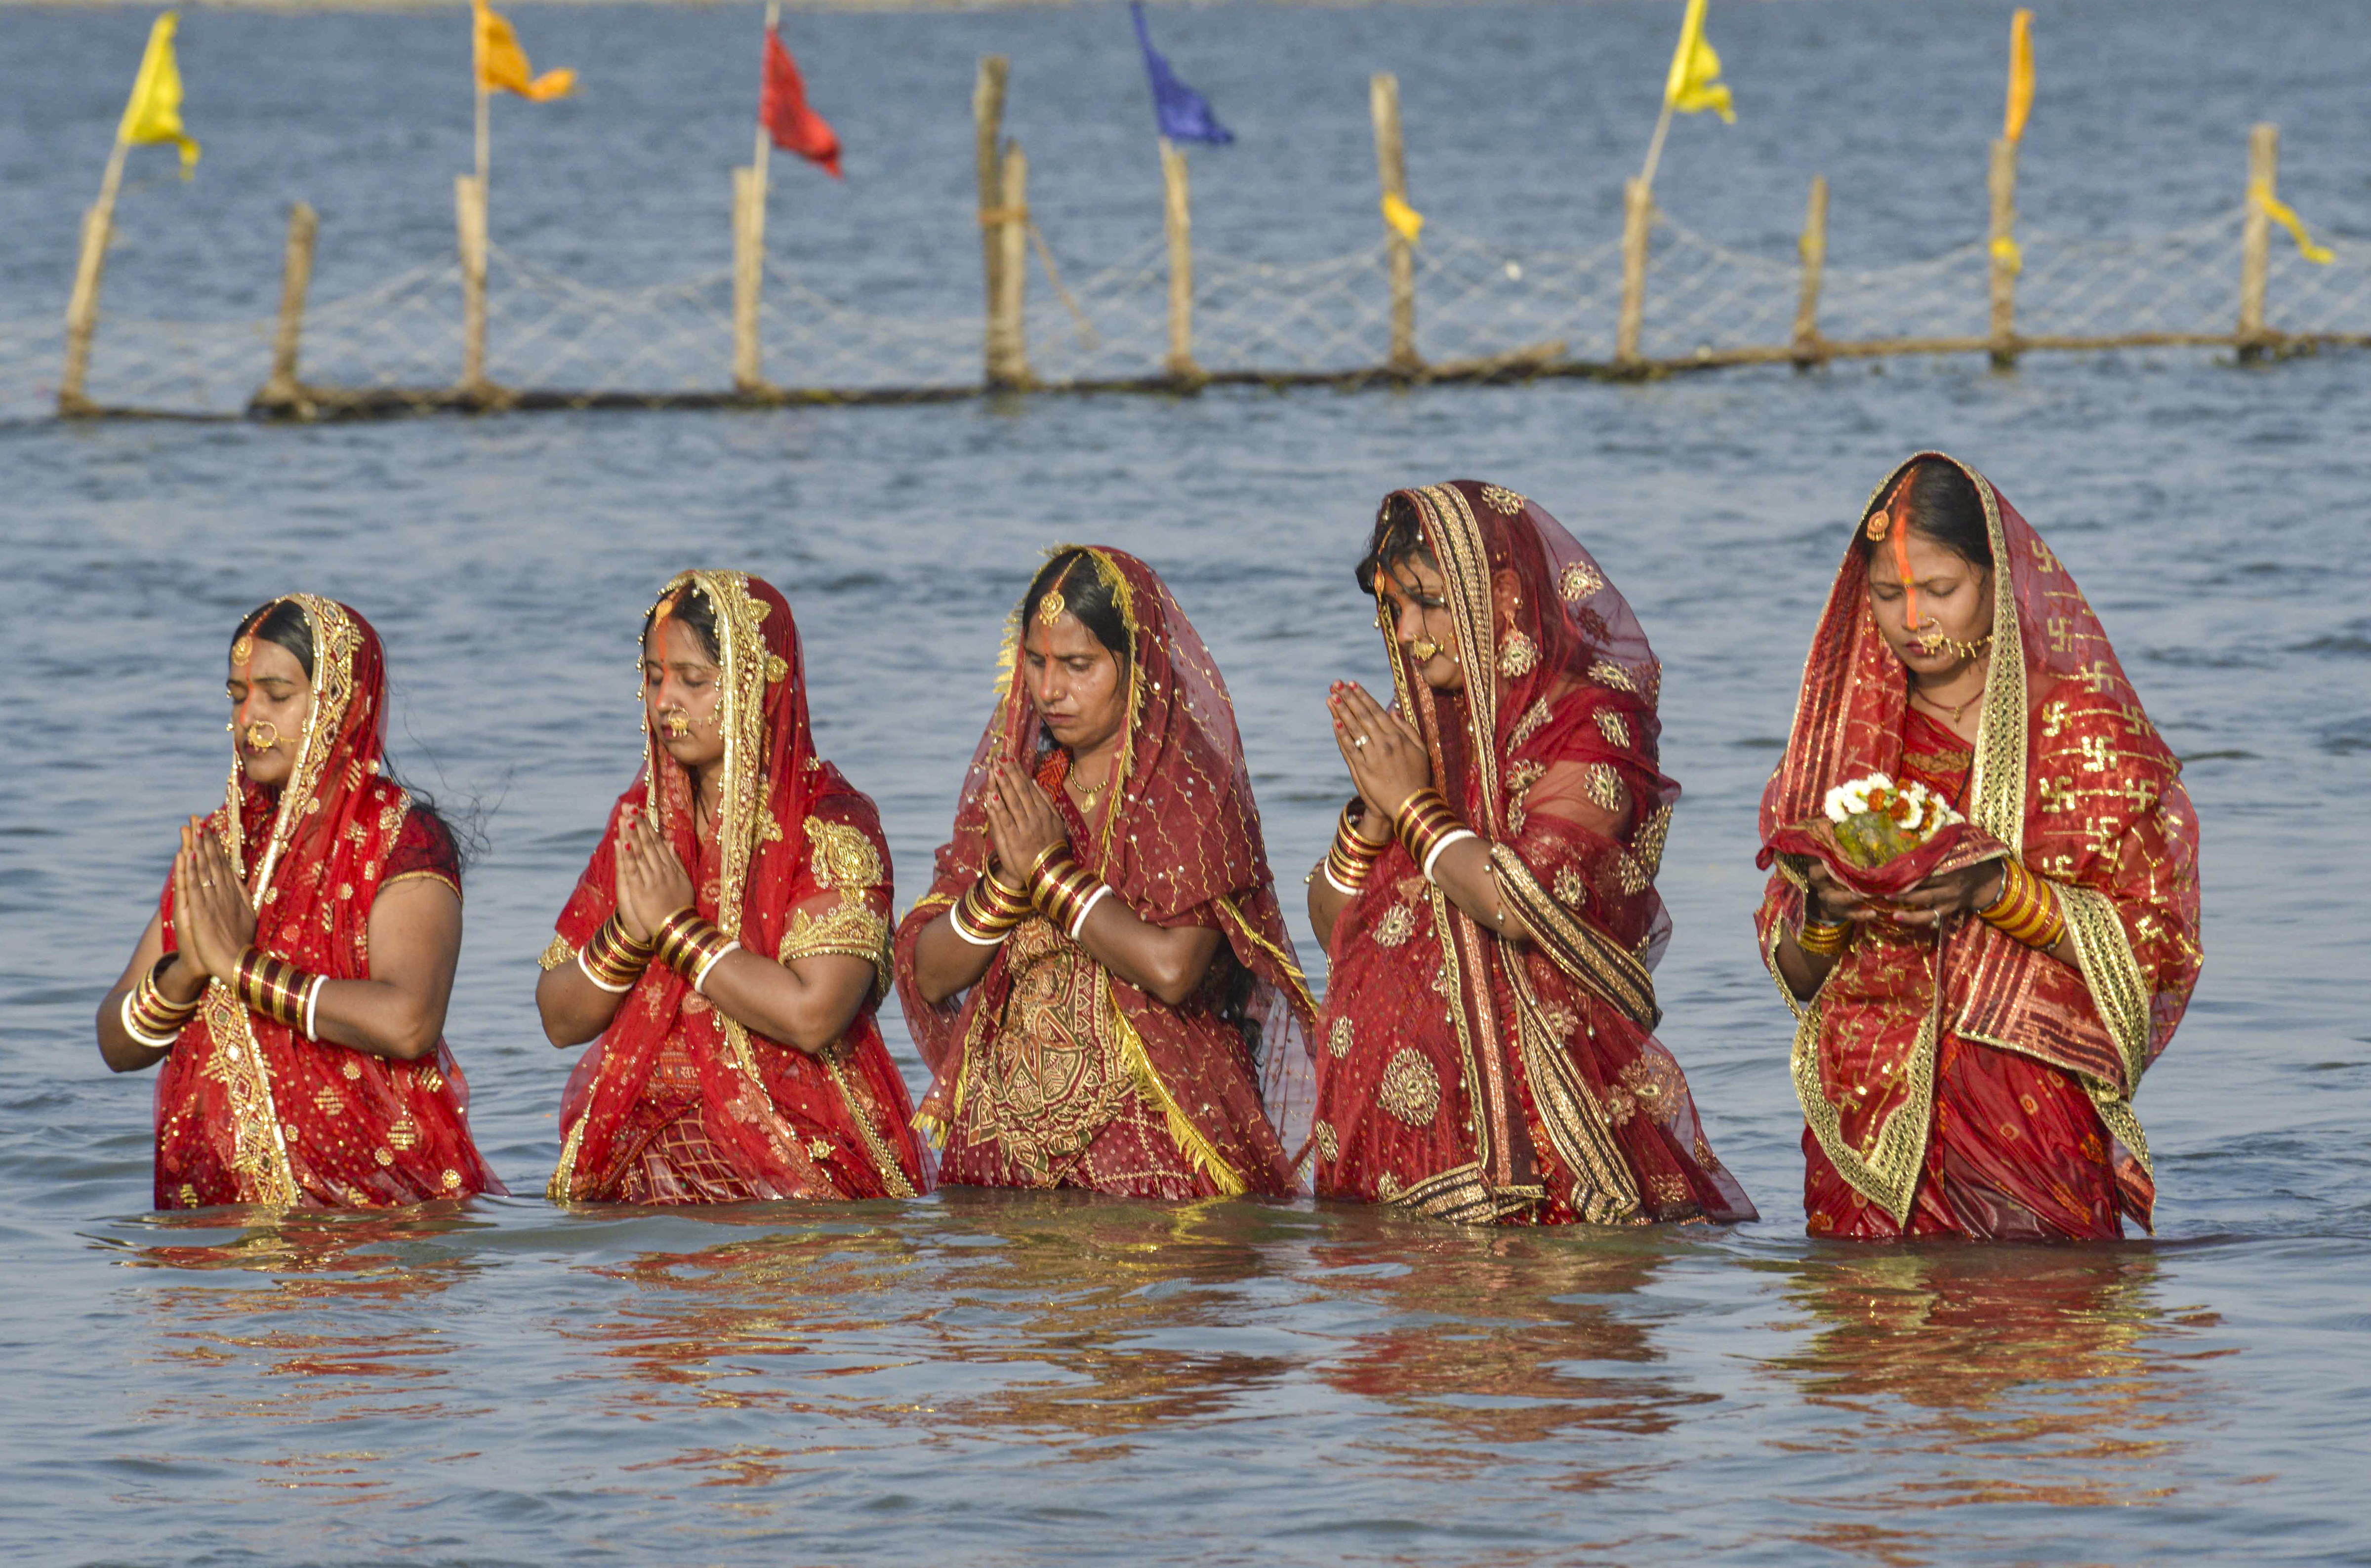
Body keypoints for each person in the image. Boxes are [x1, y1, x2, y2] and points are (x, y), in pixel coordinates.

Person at [1757, 453, 2201, 1240]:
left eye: (1940, 589)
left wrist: (1996, 890)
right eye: (1888, 593)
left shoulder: (2081, 732)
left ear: (2000, 581)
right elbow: (1799, 976)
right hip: (1866, 1121)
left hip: (2027, 1115)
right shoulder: (1844, 749)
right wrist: (1827, 909)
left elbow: (2156, 948)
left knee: (2036, 1303)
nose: (1913, 619)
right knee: (1860, 1315)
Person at [1308, 481, 1755, 1226]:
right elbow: (1338, 931)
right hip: (1394, 1150)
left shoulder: (1585, 720)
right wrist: (1375, 811)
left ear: (1504, 595)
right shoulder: (1422, 721)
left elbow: (1522, 900)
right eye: (1395, 608)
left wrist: (1411, 804)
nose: (1410, 633)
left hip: (1544, 1147)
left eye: (1431, 603)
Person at [896, 546, 1314, 1199]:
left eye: (1078, 665)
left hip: (1157, 1140)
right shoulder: (1022, 790)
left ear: (1138, 664)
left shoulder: (1190, 791)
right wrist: (1007, 883)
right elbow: (930, 972)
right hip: (1003, 1149)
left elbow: (1173, 969)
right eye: (1037, 663)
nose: (1049, 690)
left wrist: (1050, 875)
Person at [95, 595, 502, 1209]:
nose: (249, 718)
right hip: (218, 1232)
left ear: (340, 700)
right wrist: (188, 971)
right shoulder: (220, 846)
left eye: (277, 695)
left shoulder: (399, 838)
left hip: (375, 1225)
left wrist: (240, 970)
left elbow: (409, 1022)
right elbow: (116, 1042)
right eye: (237, 696)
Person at [536, 571, 924, 1203]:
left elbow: (813, 1016)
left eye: (694, 681)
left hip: (794, 1154)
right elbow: (559, 1017)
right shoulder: (644, 820)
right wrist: (632, 932)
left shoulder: (830, 823)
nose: (666, 701)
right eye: (654, 678)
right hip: (642, 1147)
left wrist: (677, 931)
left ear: (757, 683)